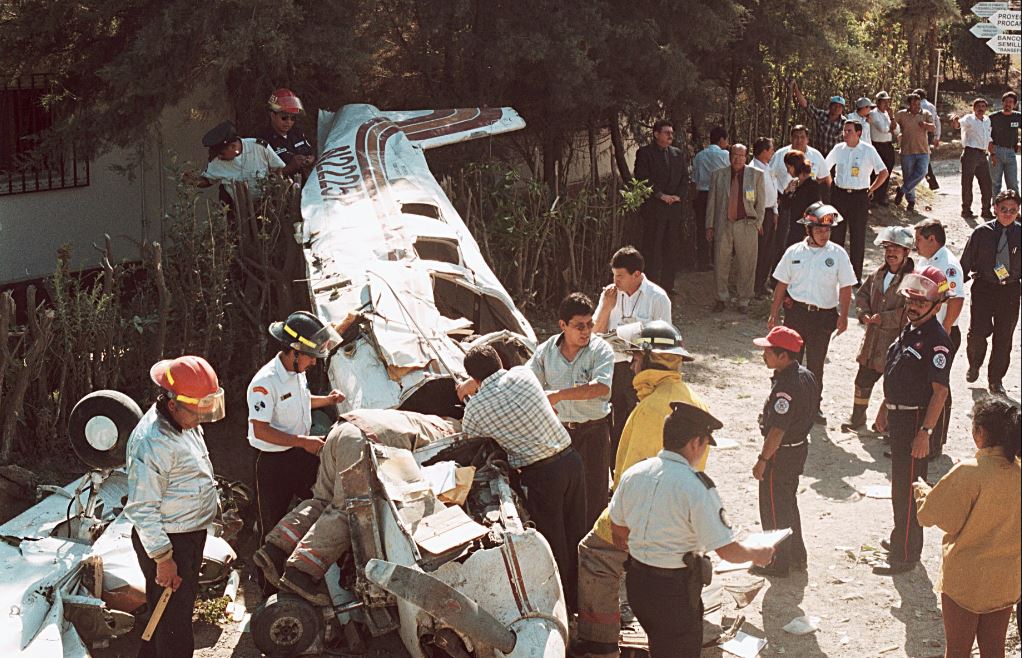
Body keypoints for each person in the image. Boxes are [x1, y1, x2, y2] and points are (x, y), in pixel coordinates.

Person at [574, 321, 703, 657]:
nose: (631, 364)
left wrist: (619, 523)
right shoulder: (688, 399)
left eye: (634, 356)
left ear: (650, 359)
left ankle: (598, 642)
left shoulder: (652, 409)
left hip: (648, 514)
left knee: (593, 554)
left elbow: (635, 476)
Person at [608, 402, 775, 658]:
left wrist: (648, 547)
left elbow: (617, 529)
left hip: (638, 585)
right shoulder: (696, 487)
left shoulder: (635, 473)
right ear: (695, 442)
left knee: (659, 644)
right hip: (674, 593)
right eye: (705, 444)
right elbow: (728, 551)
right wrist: (758, 553)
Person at [253, 410, 455, 605]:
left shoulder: (415, 417)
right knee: (346, 510)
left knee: (322, 500)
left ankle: (275, 549)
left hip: (341, 431)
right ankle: (301, 573)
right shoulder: (447, 432)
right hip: (360, 442)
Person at [458, 345, 586, 609]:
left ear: (473, 377)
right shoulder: (523, 375)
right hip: (571, 459)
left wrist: (470, 395)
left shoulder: (474, 410)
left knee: (554, 542)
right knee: (578, 533)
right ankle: (587, 600)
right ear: (498, 360)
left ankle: (567, 606)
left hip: (541, 475)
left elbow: (471, 443)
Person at [124, 356, 226, 657]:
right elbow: (142, 509)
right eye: (197, 413)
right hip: (170, 541)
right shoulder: (152, 443)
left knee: (166, 614)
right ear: (172, 404)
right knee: (175, 624)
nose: (201, 420)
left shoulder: (185, 418)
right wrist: (164, 558)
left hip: (186, 533)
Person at [915, 397, 1021, 658]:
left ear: (980, 432)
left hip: (966, 579)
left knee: (959, 652)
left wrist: (923, 493)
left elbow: (932, 516)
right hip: (1005, 579)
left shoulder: (971, 471)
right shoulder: (1018, 472)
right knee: (994, 650)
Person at [872, 266, 953, 575]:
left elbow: (940, 392)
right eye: (911, 301)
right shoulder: (911, 329)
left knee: (909, 490)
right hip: (899, 414)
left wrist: (926, 433)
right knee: (900, 486)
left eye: (921, 303)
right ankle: (899, 540)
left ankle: (906, 555)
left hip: (915, 420)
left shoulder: (936, 340)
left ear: (935, 306)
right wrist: (884, 407)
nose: (913, 307)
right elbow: (898, 373)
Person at [247, 311, 344, 544]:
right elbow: (260, 430)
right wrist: (302, 441)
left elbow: (302, 401)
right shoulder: (264, 383)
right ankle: (266, 578)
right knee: (271, 522)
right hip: (272, 463)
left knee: (318, 501)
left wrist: (328, 400)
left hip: (300, 453)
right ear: (294, 351)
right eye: (310, 357)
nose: (313, 362)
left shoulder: (296, 371)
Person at [528, 292, 614, 530]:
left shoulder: (601, 350)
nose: (586, 331)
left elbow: (600, 387)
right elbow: (527, 379)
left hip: (592, 433)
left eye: (589, 324)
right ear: (563, 325)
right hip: (559, 434)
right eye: (579, 326)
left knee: (593, 498)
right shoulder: (546, 351)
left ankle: (590, 557)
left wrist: (558, 395)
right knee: (561, 497)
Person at [768, 202, 856, 424]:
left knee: (816, 364)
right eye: (818, 230)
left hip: (823, 316)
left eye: (827, 230)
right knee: (787, 361)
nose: (824, 234)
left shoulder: (838, 254)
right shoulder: (794, 252)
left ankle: (812, 407)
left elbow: (846, 287)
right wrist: (773, 313)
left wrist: (843, 316)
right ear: (808, 229)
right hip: (795, 314)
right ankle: (779, 401)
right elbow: (781, 285)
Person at [751, 326, 818, 578]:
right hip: (798, 448)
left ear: (783, 356)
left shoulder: (785, 388)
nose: (763, 355)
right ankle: (796, 556)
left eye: (768, 351)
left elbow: (777, 430)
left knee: (773, 508)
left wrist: (763, 460)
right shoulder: (806, 375)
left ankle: (778, 563)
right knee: (788, 504)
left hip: (780, 454)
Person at [594, 246, 672, 457]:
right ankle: (616, 473)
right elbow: (594, 334)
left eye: (620, 276)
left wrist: (640, 352)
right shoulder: (610, 294)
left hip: (642, 368)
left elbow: (665, 340)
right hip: (614, 367)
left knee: (639, 421)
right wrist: (606, 308)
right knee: (615, 423)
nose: (615, 280)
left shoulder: (658, 297)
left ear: (636, 275)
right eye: (613, 275)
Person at [841, 226, 915, 431]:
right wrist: (863, 313)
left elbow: (910, 311)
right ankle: (857, 419)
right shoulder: (877, 274)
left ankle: (888, 424)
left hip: (896, 341)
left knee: (893, 386)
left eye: (896, 249)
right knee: (862, 380)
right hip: (872, 340)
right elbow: (862, 295)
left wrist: (883, 318)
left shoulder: (912, 279)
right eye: (888, 249)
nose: (891, 253)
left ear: (906, 252)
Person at [961, 189, 1022, 396]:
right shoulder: (981, 233)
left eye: (1012, 210)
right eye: (1003, 209)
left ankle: (995, 380)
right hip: (984, 288)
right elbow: (965, 264)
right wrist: (947, 289)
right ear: (995, 208)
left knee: (1004, 338)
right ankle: (974, 364)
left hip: (1010, 291)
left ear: (1018, 212)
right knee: (977, 333)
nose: (1007, 213)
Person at [914, 219, 965, 454]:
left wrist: (944, 330)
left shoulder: (948, 265)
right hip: (923, 330)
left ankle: (935, 442)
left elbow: (955, 299)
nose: (916, 245)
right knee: (920, 382)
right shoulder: (926, 261)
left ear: (932, 239)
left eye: (919, 240)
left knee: (938, 386)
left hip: (941, 333)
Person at [825, 120, 889, 282]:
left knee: (857, 236)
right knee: (837, 236)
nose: (845, 134)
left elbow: (883, 172)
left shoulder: (868, 150)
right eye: (844, 131)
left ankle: (855, 276)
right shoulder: (838, 149)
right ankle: (834, 273)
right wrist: (831, 186)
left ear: (859, 133)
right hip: (839, 196)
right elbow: (825, 168)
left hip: (859, 197)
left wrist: (872, 189)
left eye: (849, 131)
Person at [706, 143, 766, 313]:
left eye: (741, 155)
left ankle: (744, 300)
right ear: (729, 155)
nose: (737, 159)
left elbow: (761, 203)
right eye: (734, 155)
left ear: (746, 157)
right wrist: (709, 225)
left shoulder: (756, 175)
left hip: (747, 224)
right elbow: (711, 202)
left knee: (746, 263)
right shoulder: (718, 175)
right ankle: (721, 298)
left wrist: (757, 223)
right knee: (720, 262)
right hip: (723, 224)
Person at [190, 120, 300, 205]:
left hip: (266, 206)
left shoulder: (259, 147)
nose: (219, 157)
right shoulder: (217, 161)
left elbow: (279, 169)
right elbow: (208, 180)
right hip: (237, 210)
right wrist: (192, 181)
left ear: (233, 147)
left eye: (222, 153)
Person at [634, 120, 686, 292]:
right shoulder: (645, 153)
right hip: (654, 210)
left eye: (672, 132)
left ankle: (668, 285)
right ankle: (650, 286)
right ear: (656, 134)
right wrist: (661, 195)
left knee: (672, 248)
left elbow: (684, 179)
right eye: (666, 132)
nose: (670, 136)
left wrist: (677, 196)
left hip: (673, 210)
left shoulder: (677, 154)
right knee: (652, 248)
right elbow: (642, 177)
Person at [691, 126, 731, 271]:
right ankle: (717, 259)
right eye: (726, 140)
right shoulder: (726, 155)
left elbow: (695, 177)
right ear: (721, 139)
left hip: (702, 194)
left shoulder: (699, 156)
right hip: (720, 195)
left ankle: (703, 261)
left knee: (702, 227)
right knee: (720, 226)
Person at [951, 98, 994, 220]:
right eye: (978, 106)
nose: (981, 108)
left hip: (982, 155)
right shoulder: (969, 118)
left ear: (986, 108)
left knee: (987, 184)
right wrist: (955, 121)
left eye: (983, 106)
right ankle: (966, 210)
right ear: (973, 108)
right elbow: (958, 124)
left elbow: (988, 138)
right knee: (967, 183)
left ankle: (986, 210)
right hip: (970, 153)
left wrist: (993, 154)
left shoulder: (987, 120)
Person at [893, 93, 936, 213]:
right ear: (909, 104)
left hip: (923, 150)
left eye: (918, 103)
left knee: (922, 172)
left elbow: (933, 128)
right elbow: (892, 125)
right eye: (913, 104)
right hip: (907, 150)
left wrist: (926, 125)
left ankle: (902, 190)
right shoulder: (901, 114)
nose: (916, 106)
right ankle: (911, 202)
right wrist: (897, 134)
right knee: (908, 176)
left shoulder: (926, 114)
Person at [750, 137, 780, 297]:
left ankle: (761, 283)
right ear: (763, 151)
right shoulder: (753, 169)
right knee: (759, 251)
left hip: (769, 212)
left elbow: (773, 189)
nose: (773, 152)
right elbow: (751, 197)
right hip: (759, 214)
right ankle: (754, 286)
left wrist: (775, 211)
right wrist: (757, 219)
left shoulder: (768, 167)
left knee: (768, 250)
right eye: (771, 149)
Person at [778, 149, 824, 250]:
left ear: (795, 166)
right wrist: (787, 191)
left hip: (805, 233)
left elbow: (815, 211)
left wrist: (808, 234)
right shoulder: (796, 184)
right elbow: (785, 205)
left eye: (789, 167)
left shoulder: (812, 186)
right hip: (793, 230)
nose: (787, 171)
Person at [261, 88, 315, 170]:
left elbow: (310, 152)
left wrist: (311, 159)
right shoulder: (264, 141)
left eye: (293, 118)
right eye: (284, 117)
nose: (289, 122)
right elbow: (261, 176)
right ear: (272, 115)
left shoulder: (298, 133)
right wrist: (290, 168)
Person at [792, 82, 846, 155]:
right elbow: (806, 105)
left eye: (840, 106)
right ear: (830, 106)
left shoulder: (845, 122)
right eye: (835, 105)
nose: (837, 108)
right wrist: (796, 89)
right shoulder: (821, 115)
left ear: (842, 109)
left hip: (835, 156)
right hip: (819, 154)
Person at [868, 91, 899, 204]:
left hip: (888, 145)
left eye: (887, 101)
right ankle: (872, 196)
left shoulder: (888, 114)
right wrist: (890, 126)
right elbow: (883, 128)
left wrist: (891, 119)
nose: (886, 104)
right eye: (883, 101)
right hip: (877, 145)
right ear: (878, 102)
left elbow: (896, 130)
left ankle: (881, 197)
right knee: (876, 172)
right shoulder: (873, 114)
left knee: (887, 170)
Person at [989, 91, 1020, 197]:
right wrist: (992, 152)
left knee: (1013, 183)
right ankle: (996, 209)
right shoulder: (993, 117)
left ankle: (1015, 209)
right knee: (995, 183)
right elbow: (986, 134)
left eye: (1011, 102)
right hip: (996, 151)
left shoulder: (1018, 117)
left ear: (1014, 104)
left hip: (1011, 152)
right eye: (1006, 102)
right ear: (1002, 103)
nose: (1008, 104)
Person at [915, 87, 943, 192]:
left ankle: (931, 182)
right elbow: (937, 121)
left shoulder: (920, 106)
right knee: (924, 156)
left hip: (921, 133)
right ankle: (931, 182)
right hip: (930, 133)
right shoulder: (931, 106)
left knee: (922, 157)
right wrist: (937, 136)